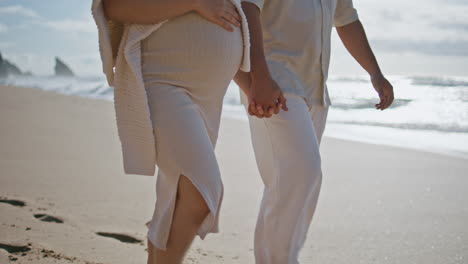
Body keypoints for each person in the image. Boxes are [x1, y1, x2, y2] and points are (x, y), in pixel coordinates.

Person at [92, 0, 283, 263]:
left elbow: (236, 23)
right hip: (162, 81)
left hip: (210, 96)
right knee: (201, 191)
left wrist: (252, 83)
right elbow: (114, 8)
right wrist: (193, 3)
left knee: (174, 198)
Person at [234, 0, 395, 263]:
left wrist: (375, 73)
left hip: (315, 89)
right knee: (303, 173)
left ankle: (275, 258)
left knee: (291, 183)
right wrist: (259, 76)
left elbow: (346, 20)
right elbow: (249, 8)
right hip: (275, 81)